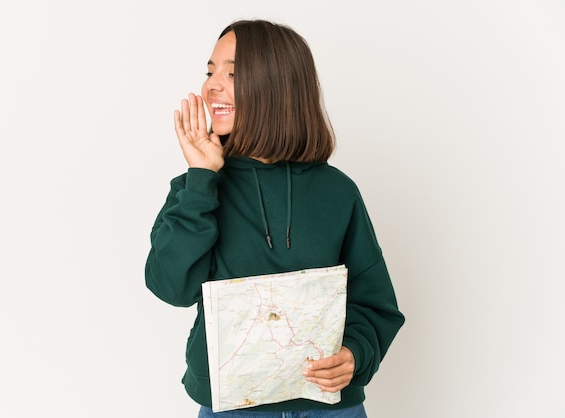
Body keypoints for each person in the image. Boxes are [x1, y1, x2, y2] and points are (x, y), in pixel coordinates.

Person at [145, 19, 405, 417]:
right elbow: (171, 287)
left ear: (275, 85)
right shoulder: (195, 187)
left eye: (232, 73)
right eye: (210, 71)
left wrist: (355, 354)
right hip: (232, 409)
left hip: (329, 407)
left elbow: (376, 304)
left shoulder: (337, 192)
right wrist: (201, 180)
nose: (212, 85)